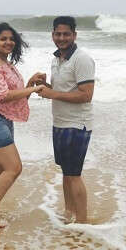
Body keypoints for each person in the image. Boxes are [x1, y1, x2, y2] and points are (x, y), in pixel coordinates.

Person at [0, 22, 44, 228]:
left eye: (11, 39)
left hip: (0, 120)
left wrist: (29, 84)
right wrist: (32, 90)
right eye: (3, 38)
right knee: (14, 168)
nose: (8, 42)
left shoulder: (6, 64)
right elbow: (1, 95)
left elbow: (13, 96)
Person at [35, 16, 95, 224]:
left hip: (77, 125)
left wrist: (53, 94)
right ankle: (69, 213)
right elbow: (60, 91)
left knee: (74, 174)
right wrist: (44, 86)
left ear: (74, 35)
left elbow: (86, 95)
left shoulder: (82, 59)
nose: (62, 38)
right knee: (66, 172)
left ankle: (83, 222)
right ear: (52, 35)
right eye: (58, 34)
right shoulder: (56, 59)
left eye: (66, 34)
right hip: (59, 123)